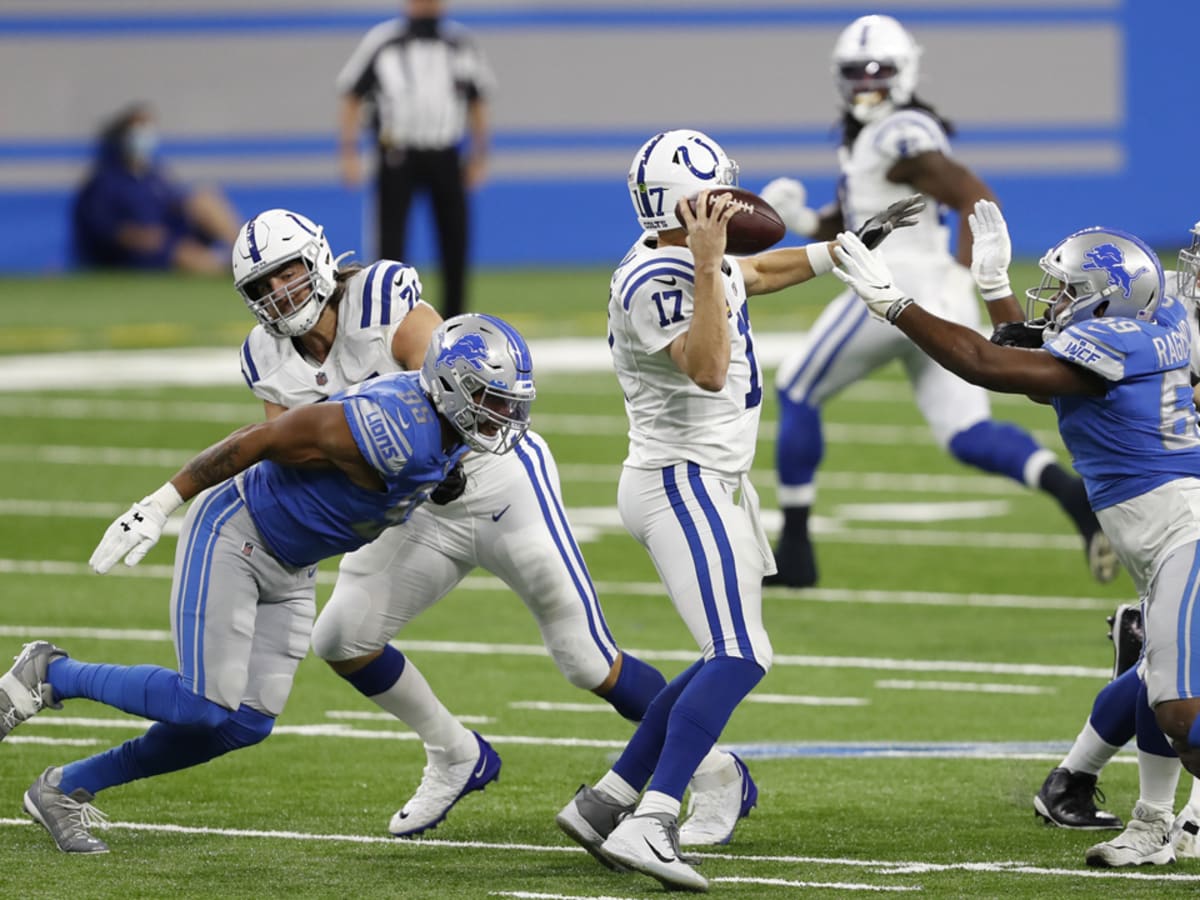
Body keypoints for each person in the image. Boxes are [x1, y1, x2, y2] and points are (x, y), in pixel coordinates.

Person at [0, 312, 535, 854]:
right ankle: (51, 673)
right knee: (203, 705)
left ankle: (63, 789)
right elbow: (263, 437)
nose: (502, 414)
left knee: (246, 722)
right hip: (238, 532)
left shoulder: (447, 434)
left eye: (506, 400)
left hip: (294, 563)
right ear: (447, 387)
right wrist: (161, 504)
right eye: (489, 398)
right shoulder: (390, 428)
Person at [232, 207, 684, 837]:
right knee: (341, 638)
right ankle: (455, 753)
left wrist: (418, 451)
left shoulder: (379, 296)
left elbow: (454, 380)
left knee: (585, 658)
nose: (280, 294)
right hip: (410, 505)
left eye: (287, 274)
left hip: (494, 477)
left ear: (317, 261)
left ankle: (713, 769)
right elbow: (293, 449)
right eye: (263, 286)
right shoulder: (266, 357)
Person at [554, 129, 920, 891]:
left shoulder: (687, 259)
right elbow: (710, 367)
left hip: (706, 482)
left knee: (727, 649)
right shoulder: (658, 275)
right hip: (680, 482)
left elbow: (750, 273)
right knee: (742, 655)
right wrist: (707, 257)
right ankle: (653, 820)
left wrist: (837, 251)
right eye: (715, 190)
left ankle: (609, 799)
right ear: (683, 204)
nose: (731, 199)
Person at [831, 201, 1200, 871]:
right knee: (1156, 686)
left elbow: (988, 365)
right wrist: (995, 290)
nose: (1054, 300)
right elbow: (1033, 366)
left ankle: (1161, 818)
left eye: (1067, 291)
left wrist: (894, 304)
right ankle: (1151, 824)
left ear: (1107, 300)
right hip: (1160, 532)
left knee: (1180, 715)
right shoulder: (1150, 326)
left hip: (1185, 530)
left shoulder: (1115, 347)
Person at [759, 14, 1112, 589]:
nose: (866, 84)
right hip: (939, 291)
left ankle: (796, 550)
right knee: (965, 434)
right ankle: (1071, 494)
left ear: (905, 72)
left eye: (878, 72)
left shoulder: (902, 131)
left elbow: (968, 189)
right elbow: (864, 212)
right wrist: (803, 220)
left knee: (797, 389)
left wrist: (969, 260)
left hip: (894, 281)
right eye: (856, 73)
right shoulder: (879, 137)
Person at [1030, 223, 1200, 864]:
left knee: (1175, 676)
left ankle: (1172, 815)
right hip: (1170, 513)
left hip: (1182, 514)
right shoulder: (1173, 319)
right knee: (1165, 670)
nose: (1196, 265)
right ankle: (1151, 816)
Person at [336, 0, 493, 318]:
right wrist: (349, 152)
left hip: (446, 153)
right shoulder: (383, 41)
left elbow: (477, 99)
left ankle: (454, 319)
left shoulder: (460, 44)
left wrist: (479, 153)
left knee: (455, 240)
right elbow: (352, 94)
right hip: (398, 154)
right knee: (390, 245)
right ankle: (388, 317)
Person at [72, 102, 240, 275]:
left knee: (205, 198)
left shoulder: (154, 175)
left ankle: (241, 251)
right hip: (135, 253)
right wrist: (145, 238)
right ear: (123, 137)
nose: (146, 135)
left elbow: (176, 204)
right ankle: (222, 270)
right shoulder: (104, 182)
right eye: (139, 129)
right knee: (178, 250)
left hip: (169, 237)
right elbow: (105, 230)